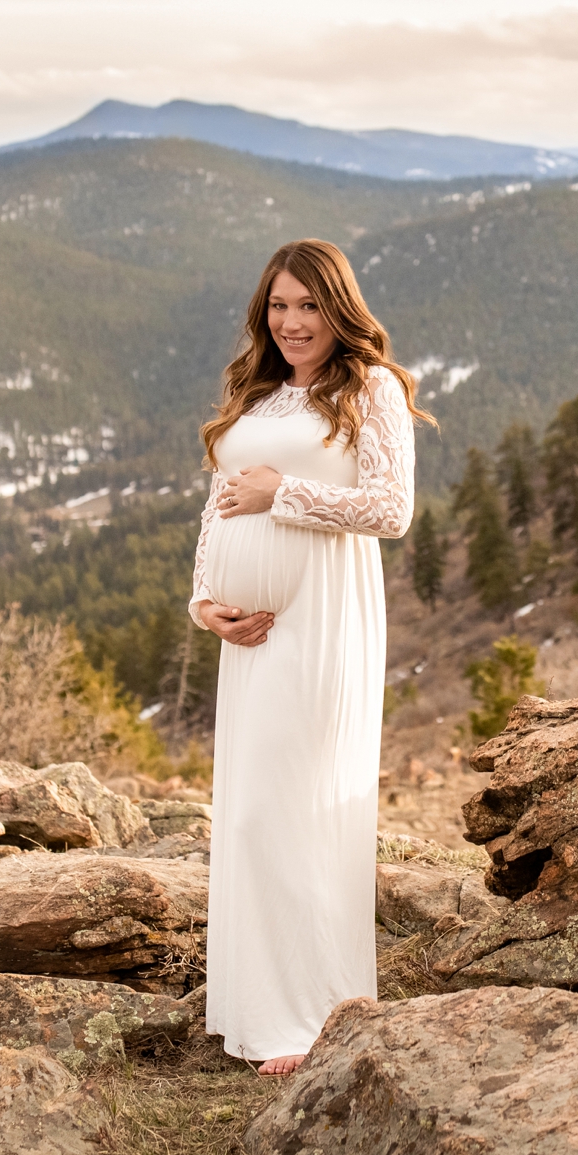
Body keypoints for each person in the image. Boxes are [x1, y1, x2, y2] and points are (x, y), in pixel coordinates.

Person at [189, 238, 435, 1076]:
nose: (292, 322)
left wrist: (282, 495)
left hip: (326, 617)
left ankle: (315, 1014)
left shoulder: (371, 389)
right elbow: (217, 503)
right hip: (250, 635)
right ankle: (256, 1003)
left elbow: (391, 509)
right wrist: (203, 601)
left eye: (309, 306)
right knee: (253, 811)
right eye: (279, 305)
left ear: (340, 308)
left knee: (305, 805)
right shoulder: (257, 390)